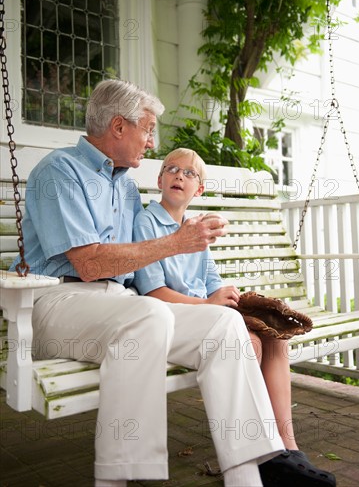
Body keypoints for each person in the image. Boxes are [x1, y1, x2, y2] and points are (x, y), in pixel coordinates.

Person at [10, 79, 287, 487]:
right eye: (148, 129)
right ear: (119, 127)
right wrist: (176, 243)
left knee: (225, 326)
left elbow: (131, 269)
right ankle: (121, 478)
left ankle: (245, 477)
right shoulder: (60, 171)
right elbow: (87, 264)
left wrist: (195, 263)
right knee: (148, 314)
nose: (152, 142)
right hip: (55, 302)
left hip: (118, 305)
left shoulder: (122, 184)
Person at [132, 147, 337, 487]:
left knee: (272, 335)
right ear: (159, 179)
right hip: (173, 317)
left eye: (189, 173)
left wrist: (230, 296)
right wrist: (211, 303)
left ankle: (287, 448)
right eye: (171, 169)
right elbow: (153, 291)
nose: (179, 175)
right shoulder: (146, 223)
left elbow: (212, 279)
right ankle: (257, 454)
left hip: (207, 314)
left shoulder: (197, 229)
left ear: (199, 189)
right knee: (250, 345)